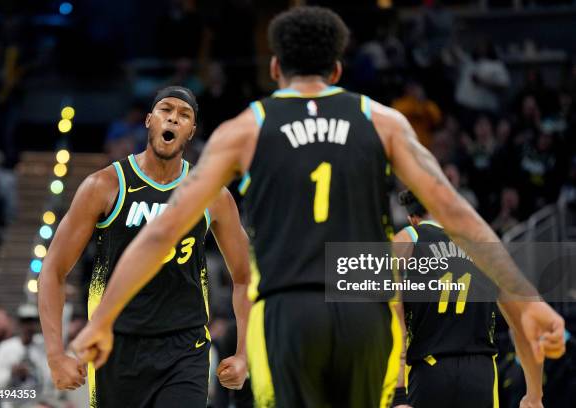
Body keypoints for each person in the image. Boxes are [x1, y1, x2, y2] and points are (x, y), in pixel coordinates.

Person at [72, 6, 565, 408]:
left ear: (273, 67)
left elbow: (161, 232)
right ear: (337, 70)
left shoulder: (246, 127)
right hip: (361, 317)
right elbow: (458, 216)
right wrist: (531, 300)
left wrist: (100, 319)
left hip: (287, 310)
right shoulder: (383, 121)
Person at [38, 86, 251, 408]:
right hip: (115, 343)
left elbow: (245, 276)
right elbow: (53, 270)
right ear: (150, 120)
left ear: (192, 131)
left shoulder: (213, 195)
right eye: (166, 110)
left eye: (184, 115)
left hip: (185, 345)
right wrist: (55, 354)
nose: (174, 119)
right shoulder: (105, 185)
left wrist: (244, 353)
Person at [391, 191, 543, 408]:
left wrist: (398, 394)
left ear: (413, 219)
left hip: (429, 370)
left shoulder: (410, 236)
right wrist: (534, 395)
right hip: (479, 373)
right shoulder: (484, 243)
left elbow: (390, 312)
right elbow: (523, 322)